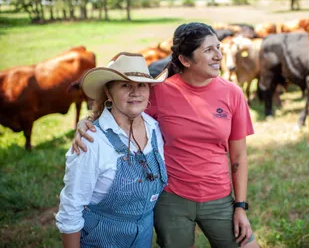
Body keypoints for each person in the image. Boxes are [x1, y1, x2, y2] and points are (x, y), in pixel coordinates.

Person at [72, 22, 259, 248]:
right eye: (209, 50)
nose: (218, 55)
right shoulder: (160, 92)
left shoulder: (233, 94)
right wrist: (88, 122)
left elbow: (239, 157)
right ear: (185, 60)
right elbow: (124, 112)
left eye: (218, 48)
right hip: (171, 200)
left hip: (219, 198)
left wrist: (240, 206)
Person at [56, 53, 168, 248]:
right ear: (109, 92)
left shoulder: (154, 129)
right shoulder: (91, 141)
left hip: (143, 236)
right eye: (125, 85)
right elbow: (71, 208)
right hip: (102, 238)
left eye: (141, 85)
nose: (136, 92)